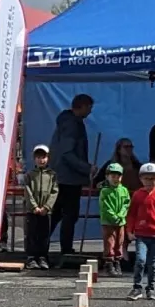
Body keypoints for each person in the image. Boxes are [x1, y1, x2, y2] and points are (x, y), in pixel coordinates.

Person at [50, 94, 95, 265]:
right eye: (89, 108)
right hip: (69, 178)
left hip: (63, 176)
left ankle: (43, 245)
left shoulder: (68, 122)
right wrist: (86, 167)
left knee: (57, 214)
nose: (90, 112)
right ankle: (65, 248)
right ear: (82, 106)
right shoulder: (72, 125)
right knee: (68, 214)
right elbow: (67, 153)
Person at [126, 163, 155, 301]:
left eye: (153, 178)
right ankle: (137, 287)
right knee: (140, 260)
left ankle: (150, 288)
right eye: (146, 178)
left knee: (153, 263)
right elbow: (132, 214)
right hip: (141, 234)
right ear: (141, 179)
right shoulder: (138, 195)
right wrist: (129, 230)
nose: (149, 181)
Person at [22, 145, 58, 270]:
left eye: (43, 157)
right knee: (31, 234)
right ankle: (31, 257)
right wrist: (34, 207)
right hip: (32, 211)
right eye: (38, 157)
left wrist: (47, 207)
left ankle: (43, 256)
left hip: (46, 212)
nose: (41, 160)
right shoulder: (30, 174)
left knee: (44, 234)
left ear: (48, 158)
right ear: (34, 159)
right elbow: (27, 191)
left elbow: (54, 192)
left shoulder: (52, 175)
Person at [98, 163, 130, 275]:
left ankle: (117, 261)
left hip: (120, 221)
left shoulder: (124, 190)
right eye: (113, 176)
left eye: (118, 176)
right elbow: (105, 206)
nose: (116, 179)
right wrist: (114, 216)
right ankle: (109, 262)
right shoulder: (105, 191)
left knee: (120, 241)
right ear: (107, 177)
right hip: (108, 222)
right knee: (109, 241)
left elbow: (126, 203)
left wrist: (121, 215)